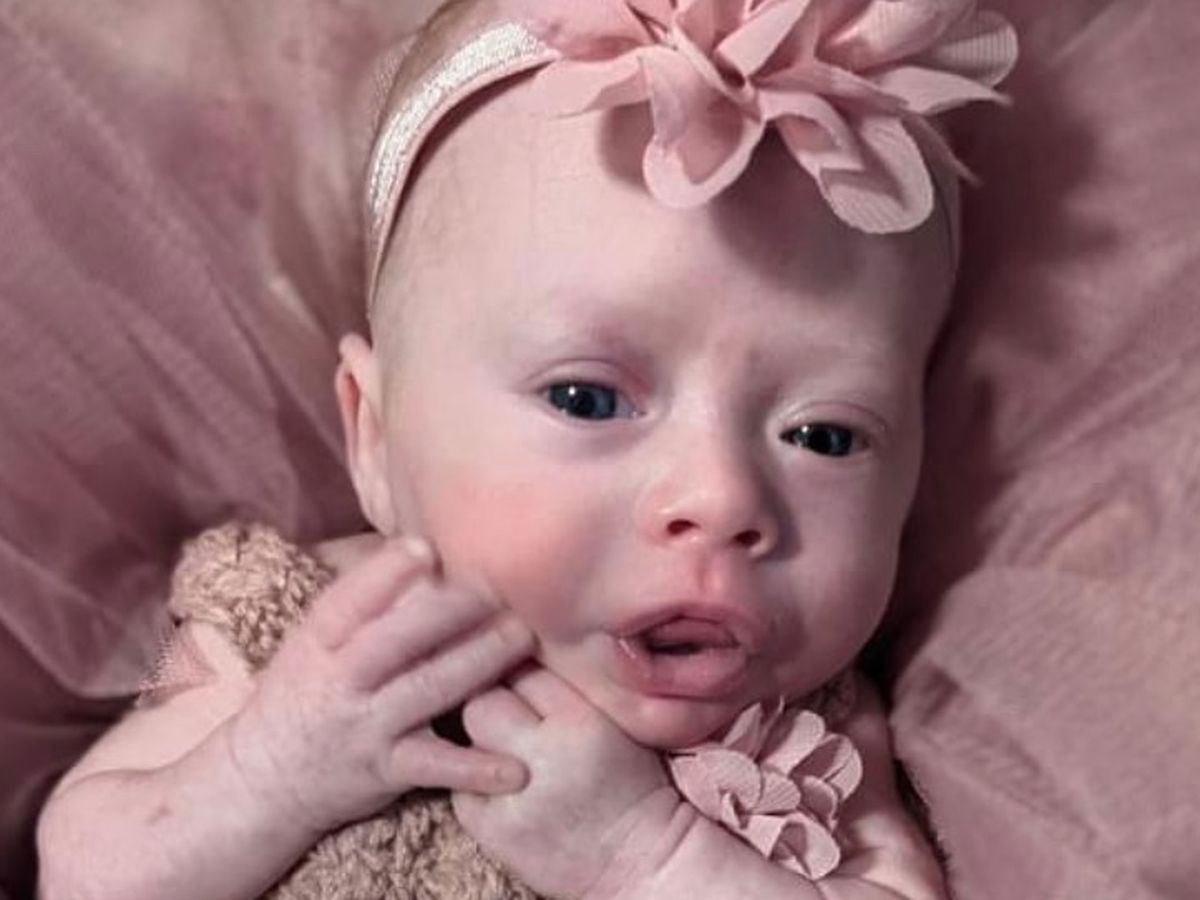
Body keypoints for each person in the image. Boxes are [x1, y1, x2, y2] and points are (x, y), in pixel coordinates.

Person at [36, 1, 1017, 897]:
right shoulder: (290, 628)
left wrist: (649, 858)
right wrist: (270, 767)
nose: (721, 498)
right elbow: (81, 873)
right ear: (375, 437)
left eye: (824, 435)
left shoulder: (813, 734)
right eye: (588, 399)